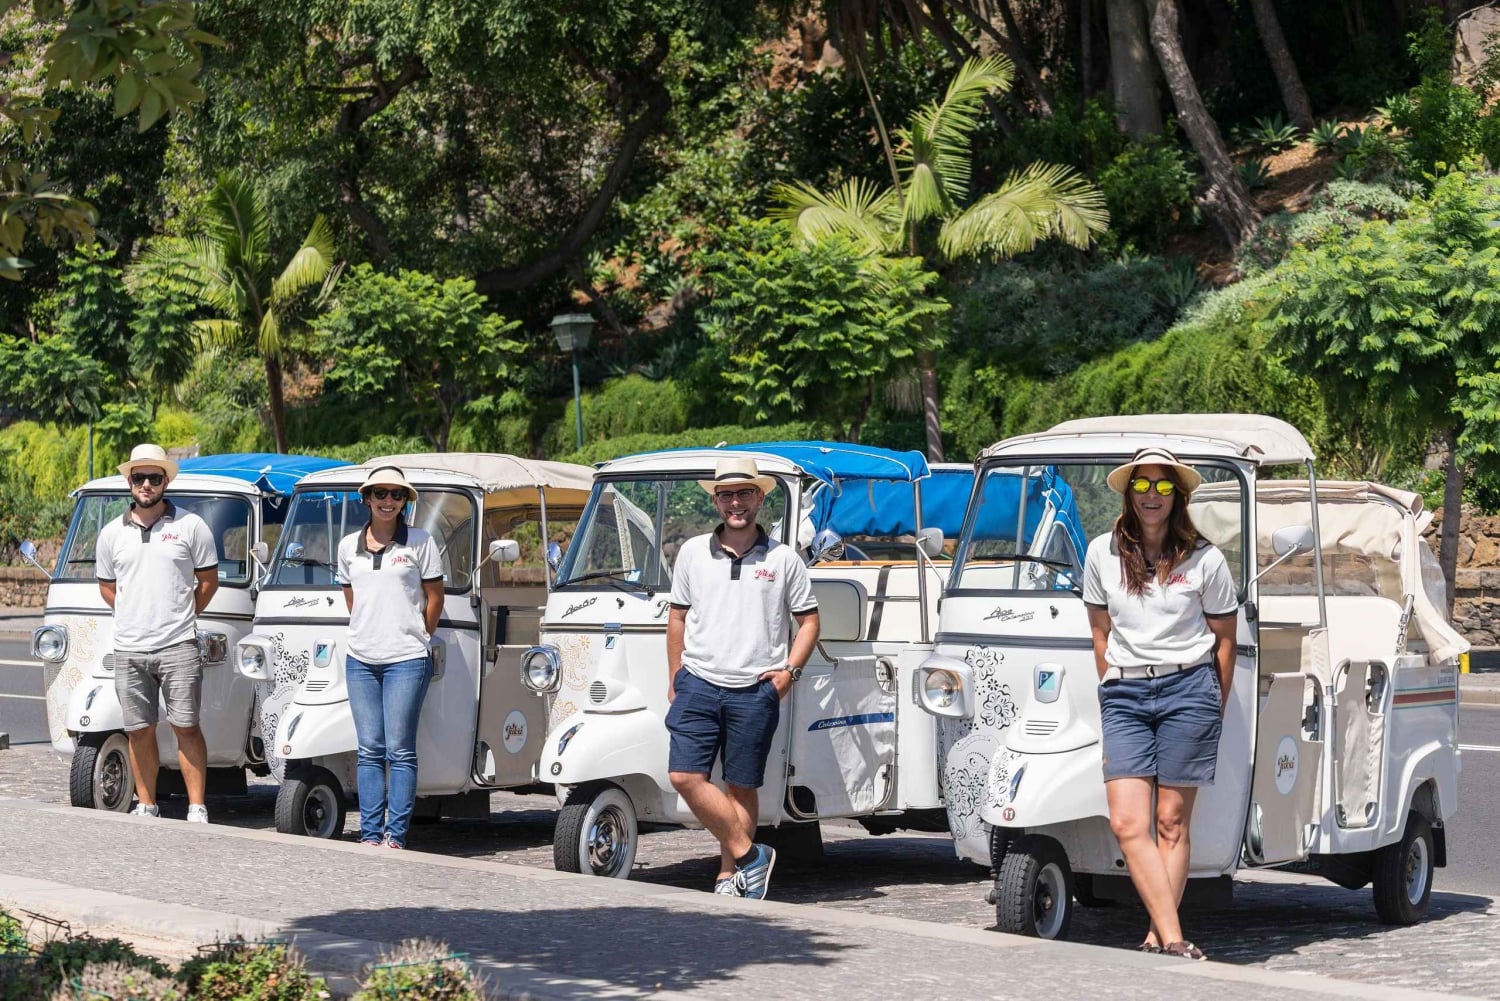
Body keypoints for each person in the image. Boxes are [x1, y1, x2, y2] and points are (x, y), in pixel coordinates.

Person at [1081, 447, 1237, 961]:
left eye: (1163, 487)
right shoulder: (1101, 553)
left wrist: (1214, 703)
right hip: (1125, 694)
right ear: (1128, 494)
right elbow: (1100, 633)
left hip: (1188, 691)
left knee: (1171, 822)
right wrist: (1112, 685)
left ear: (1179, 496)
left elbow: (1224, 640)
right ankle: (1175, 938)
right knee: (1128, 823)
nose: (1152, 495)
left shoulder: (1205, 559)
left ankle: (1158, 935)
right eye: (1142, 486)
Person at [666, 456, 820, 900]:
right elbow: (677, 619)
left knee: (741, 784)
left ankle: (730, 875)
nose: (736, 502)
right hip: (698, 680)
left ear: (759, 498)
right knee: (684, 776)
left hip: (756, 688)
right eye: (727, 494)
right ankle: (754, 856)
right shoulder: (693, 551)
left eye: (745, 493)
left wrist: (789, 672)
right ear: (715, 500)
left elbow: (809, 621)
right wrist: (675, 675)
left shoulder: (784, 558)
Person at [95, 443, 220, 821]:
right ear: (129, 483)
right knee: (139, 729)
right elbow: (106, 586)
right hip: (129, 648)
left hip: (179, 644)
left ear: (165, 481)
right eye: (139, 478)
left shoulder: (190, 526)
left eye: (153, 477)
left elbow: (208, 581)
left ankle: (197, 807)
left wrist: (182, 613)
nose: (146, 484)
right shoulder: (111, 533)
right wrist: (134, 613)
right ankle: (146, 803)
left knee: (186, 726)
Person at [337, 466, 445, 849]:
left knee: (400, 750)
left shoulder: (420, 542)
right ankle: (369, 834)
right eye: (380, 493)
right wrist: (370, 629)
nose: (387, 501)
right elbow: (353, 599)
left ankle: (394, 835)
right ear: (366, 498)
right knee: (369, 751)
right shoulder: (348, 545)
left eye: (396, 495)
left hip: (406, 658)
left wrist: (418, 636)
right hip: (360, 658)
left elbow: (435, 598)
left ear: (405, 501)